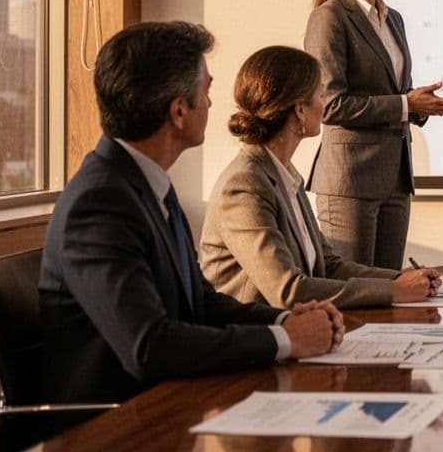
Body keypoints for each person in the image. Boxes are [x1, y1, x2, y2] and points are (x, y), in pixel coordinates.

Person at [39, 22, 343, 404]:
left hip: (168, 404)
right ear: (179, 111)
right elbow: (149, 346)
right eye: (207, 90)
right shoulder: (99, 204)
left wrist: (285, 321)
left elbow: (199, 302)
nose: (213, 103)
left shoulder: (145, 184)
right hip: (110, 433)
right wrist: (285, 340)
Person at [198, 46, 443, 309]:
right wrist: (393, 291)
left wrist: (400, 278)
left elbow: (328, 266)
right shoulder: (244, 185)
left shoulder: (285, 175)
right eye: (319, 94)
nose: (324, 103)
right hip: (257, 339)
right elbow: (288, 290)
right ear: (299, 111)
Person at [305, 0, 443, 270]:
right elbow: (330, 104)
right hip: (350, 181)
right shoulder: (329, 18)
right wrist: (405, 104)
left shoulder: (393, 19)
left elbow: (396, 93)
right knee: (356, 294)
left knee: (392, 293)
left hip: (395, 179)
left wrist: (421, 105)